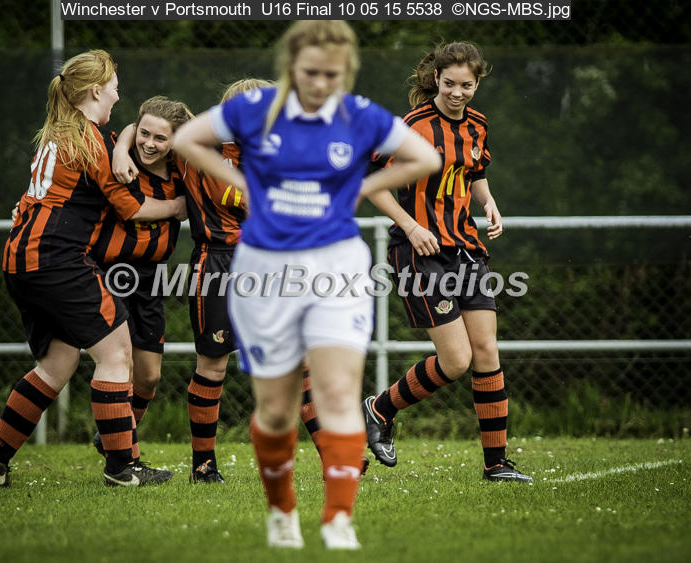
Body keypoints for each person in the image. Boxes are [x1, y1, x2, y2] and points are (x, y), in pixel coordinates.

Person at [172, 21, 440, 550]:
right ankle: (282, 511)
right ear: (290, 67)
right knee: (276, 409)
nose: (319, 83)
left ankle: (338, 520)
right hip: (264, 269)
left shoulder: (359, 115)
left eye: (331, 75)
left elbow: (425, 158)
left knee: (337, 392)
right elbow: (186, 139)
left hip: (336, 267)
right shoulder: (255, 110)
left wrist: (358, 188)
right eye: (309, 72)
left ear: (347, 72)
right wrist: (244, 183)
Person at [112, 78, 366, 484]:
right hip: (215, 264)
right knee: (213, 366)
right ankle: (203, 466)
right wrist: (121, 146)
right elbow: (150, 127)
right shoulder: (197, 151)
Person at [0, 50, 185, 489]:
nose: (118, 96)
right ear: (96, 91)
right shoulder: (90, 139)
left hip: (20, 258)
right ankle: (122, 467)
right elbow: (130, 207)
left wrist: (121, 144)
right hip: (56, 259)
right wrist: (181, 206)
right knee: (117, 354)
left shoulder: (58, 131)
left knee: (57, 364)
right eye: (115, 89)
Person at [362, 41, 533, 483]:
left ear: (478, 84)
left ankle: (496, 464)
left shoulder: (477, 124)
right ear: (436, 79)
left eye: (467, 86)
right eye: (450, 84)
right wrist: (411, 226)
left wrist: (489, 202)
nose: (458, 93)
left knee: (486, 351)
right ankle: (380, 408)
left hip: (466, 248)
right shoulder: (411, 127)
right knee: (455, 361)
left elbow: (474, 172)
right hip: (419, 252)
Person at [89, 95, 194, 469]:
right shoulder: (121, 159)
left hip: (152, 279)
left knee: (149, 377)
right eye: (144, 133)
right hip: (109, 273)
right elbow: (130, 209)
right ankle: (122, 455)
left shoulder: (183, 168)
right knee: (121, 364)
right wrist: (122, 145)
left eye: (160, 138)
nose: (149, 143)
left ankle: (112, 437)